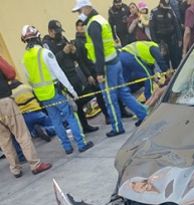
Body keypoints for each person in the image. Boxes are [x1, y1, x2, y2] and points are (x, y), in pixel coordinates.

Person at [73, 0, 148, 137]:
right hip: (114, 61)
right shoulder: (100, 19)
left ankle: (117, 127)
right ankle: (143, 113)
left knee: (110, 98)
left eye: (79, 11)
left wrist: (100, 72)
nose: (79, 14)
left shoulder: (93, 24)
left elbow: (98, 48)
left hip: (107, 66)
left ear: (86, 8)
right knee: (123, 92)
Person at [20, 25, 94, 155]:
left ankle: (67, 147)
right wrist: (72, 91)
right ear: (38, 37)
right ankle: (81, 144)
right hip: (55, 92)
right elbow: (59, 74)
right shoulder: (45, 53)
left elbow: (29, 79)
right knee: (70, 116)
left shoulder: (24, 58)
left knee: (55, 120)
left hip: (42, 96)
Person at [42, 20, 100, 133]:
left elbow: (76, 58)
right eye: (56, 31)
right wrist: (63, 52)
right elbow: (51, 63)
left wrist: (73, 51)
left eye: (60, 31)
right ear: (50, 31)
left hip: (73, 75)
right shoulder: (47, 44)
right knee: (72, 106)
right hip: (63, 78)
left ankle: (85, 126)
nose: (59, 34)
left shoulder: (63, 39)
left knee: (79, 102)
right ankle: (78, 130)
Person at [0, 55, 52, 178]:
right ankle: (35, 165)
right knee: (22, 135)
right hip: (4, 101)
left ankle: (15, 169)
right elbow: (11, 73)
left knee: (4, 141)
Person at [73, 18, 113, 126]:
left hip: (98, 66)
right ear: (76, 28)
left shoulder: (89, 37)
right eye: (80, 25)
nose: (82, 27)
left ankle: (117, 112)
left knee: (109, 90)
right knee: (100, 94)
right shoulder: (78, 42)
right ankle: (107, 116)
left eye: (83, 25)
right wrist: (88, 75)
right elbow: (81, 61)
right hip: (91, 71)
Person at [150, 0, 182, 69]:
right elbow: (152, 29)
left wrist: (179, 38)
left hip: (172, 39)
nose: (166, 8)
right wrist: (156, 43)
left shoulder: (170, 10)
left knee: (175, 60)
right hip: (161, 41)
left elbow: (176, 24)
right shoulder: (154, 12)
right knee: (165, 61)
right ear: (161, 4)